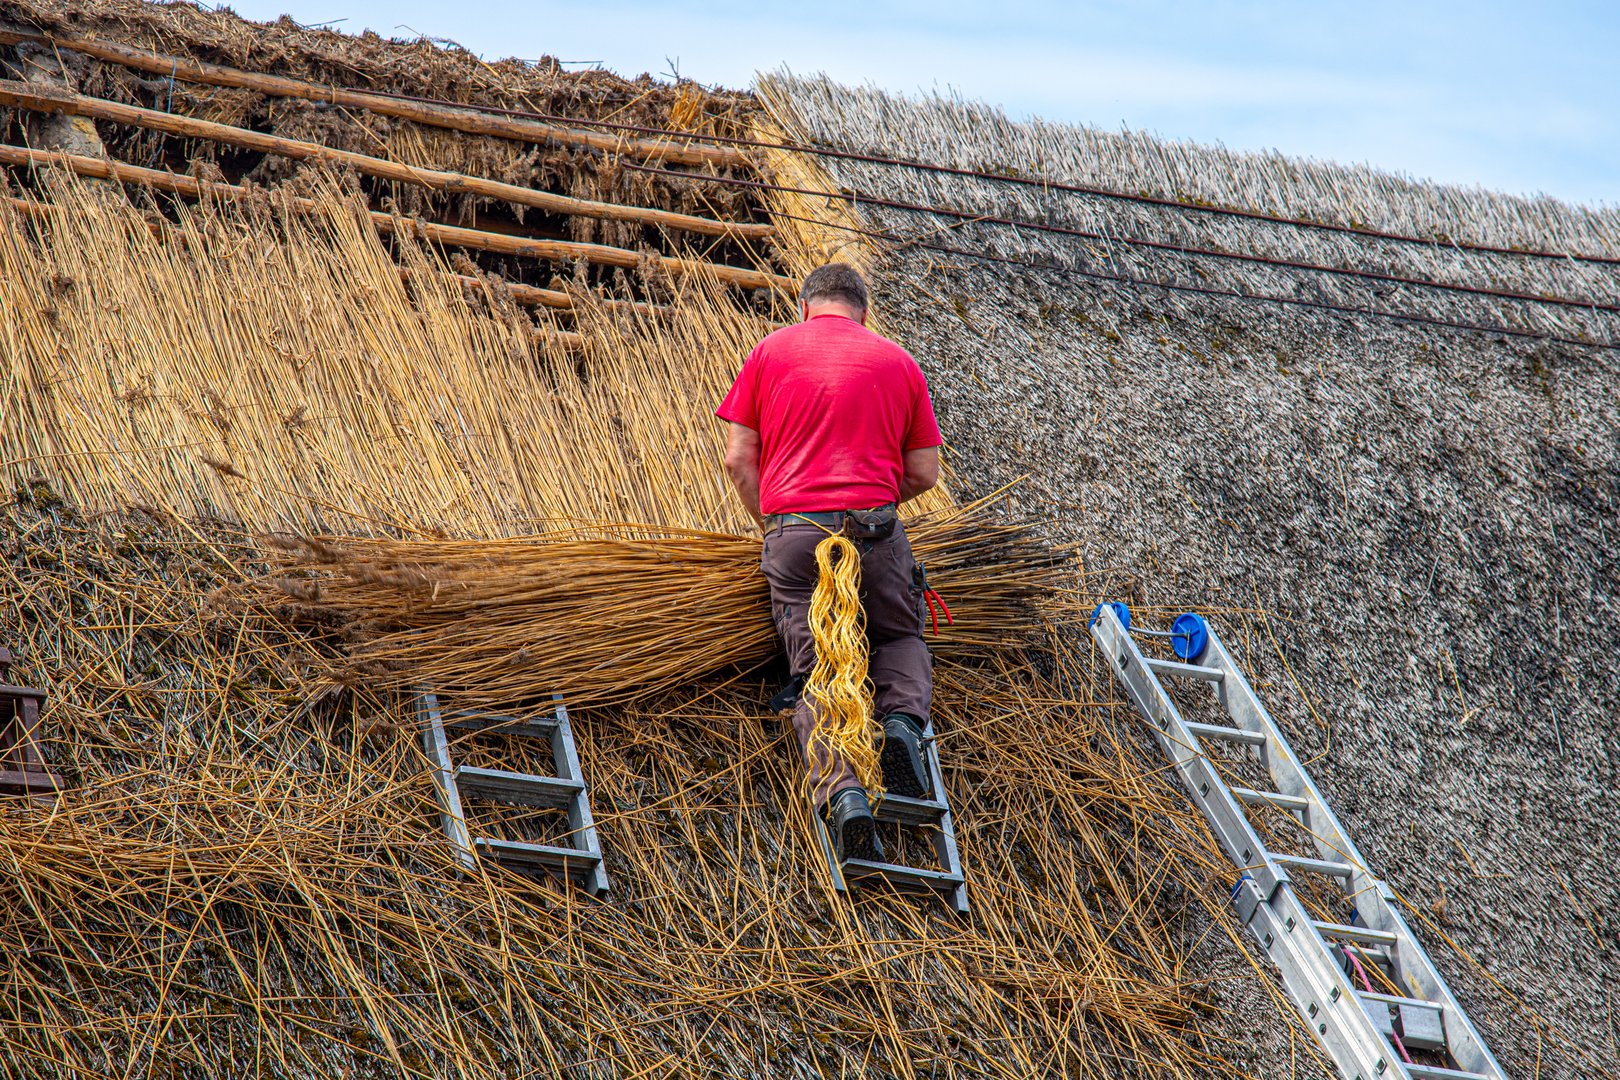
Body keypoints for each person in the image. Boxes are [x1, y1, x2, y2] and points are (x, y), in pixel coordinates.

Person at [716, 263, 942, 863]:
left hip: (795, 536)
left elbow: (740, 460)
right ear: (862, 312)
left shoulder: (769, 352)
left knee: (813, 669)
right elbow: (923, 473)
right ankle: (900, 727)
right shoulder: (899, 363)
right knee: (896, 633)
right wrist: (868, 503)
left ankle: (842, 794)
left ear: (805, 306)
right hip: (875, 530)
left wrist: (777, 522)